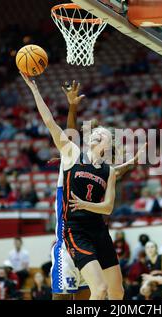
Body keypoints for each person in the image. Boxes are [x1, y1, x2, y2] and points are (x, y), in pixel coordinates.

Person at [22, 73, 130, 300]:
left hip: (97, 233)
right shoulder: (72, 154)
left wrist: (132, 162)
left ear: (108, 143)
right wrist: (36, 90)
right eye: (94, 132)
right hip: (72, 233)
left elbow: (113, 190)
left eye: (100, 133)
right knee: (79, 294)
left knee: (110, 292)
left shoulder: (107, 170)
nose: (93, 133)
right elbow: (53, 124)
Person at [50, 81, 141, 300]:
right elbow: (69, 133)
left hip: (93, 235)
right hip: (69, 237)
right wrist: (72, 107)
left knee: (96, 293)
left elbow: (112, 173)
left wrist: (129, 164)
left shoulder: (102, 169)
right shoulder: (72, 157)